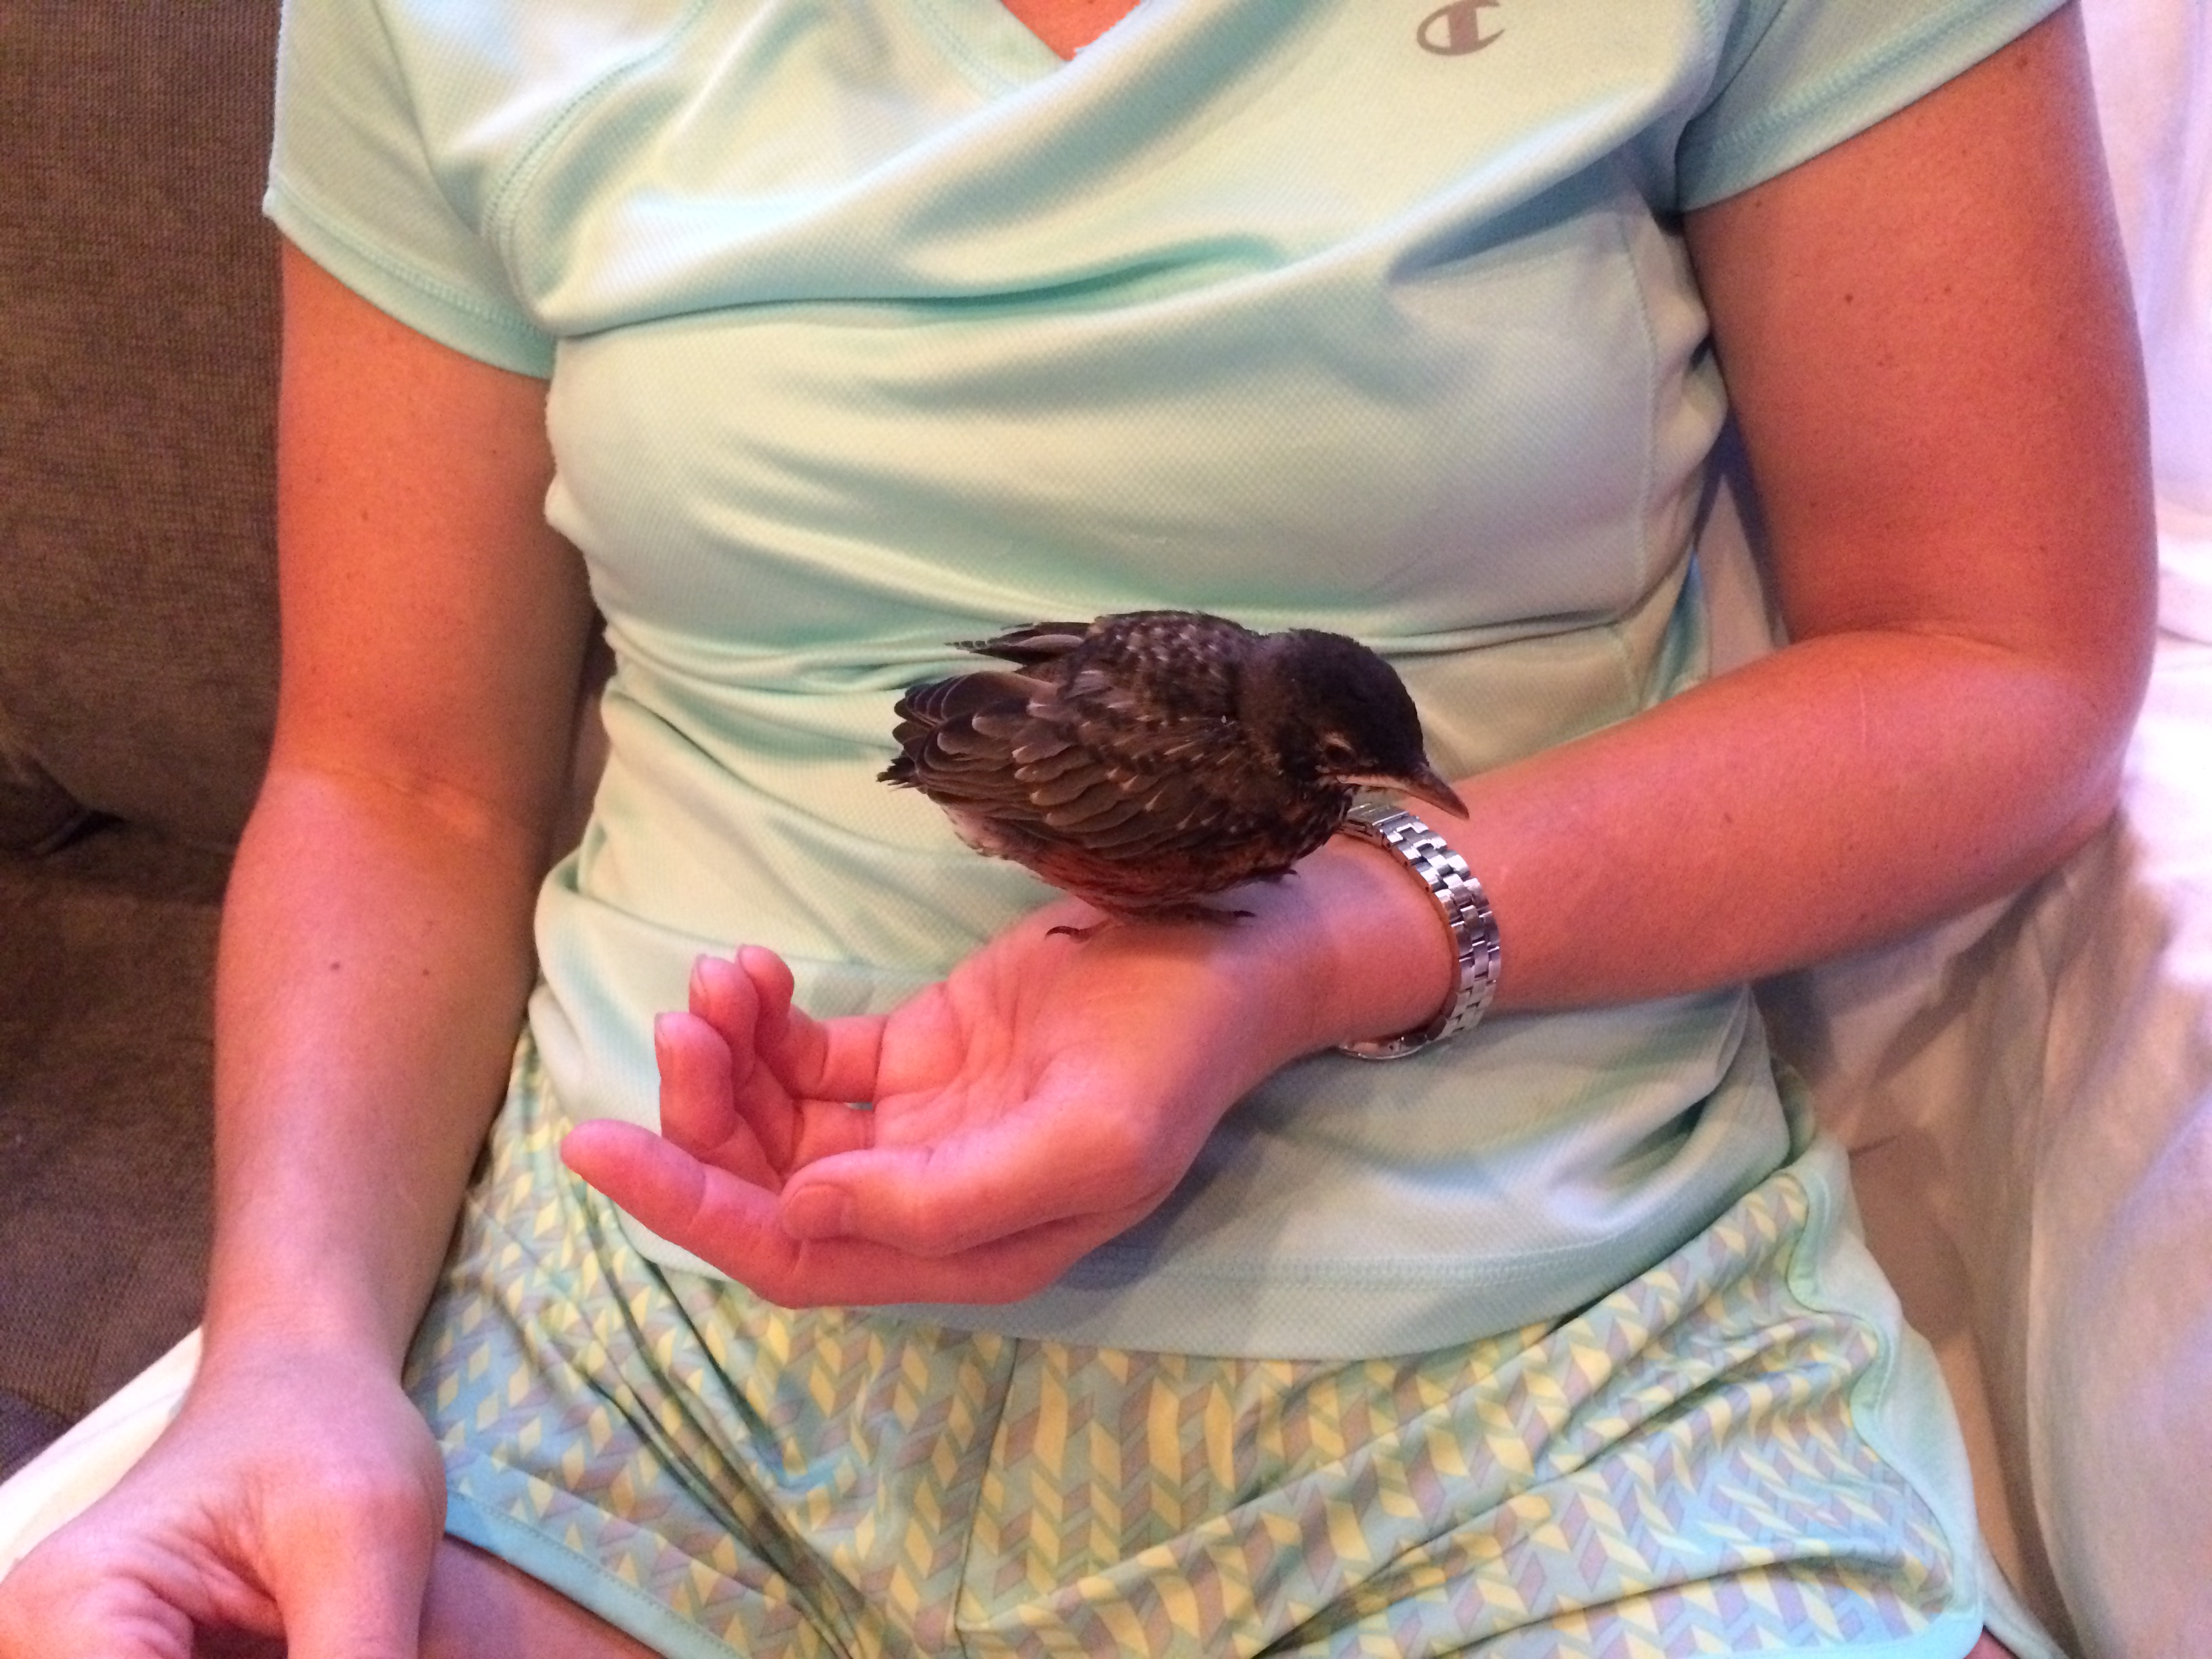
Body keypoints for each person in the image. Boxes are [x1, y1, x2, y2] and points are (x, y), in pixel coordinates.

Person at [0, 0, 2153, 1652]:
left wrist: (1320, 944)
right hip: (643, 1356)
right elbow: (400, 777)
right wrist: (288, 1363)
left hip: (1535, 1376)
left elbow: (1996, 654)